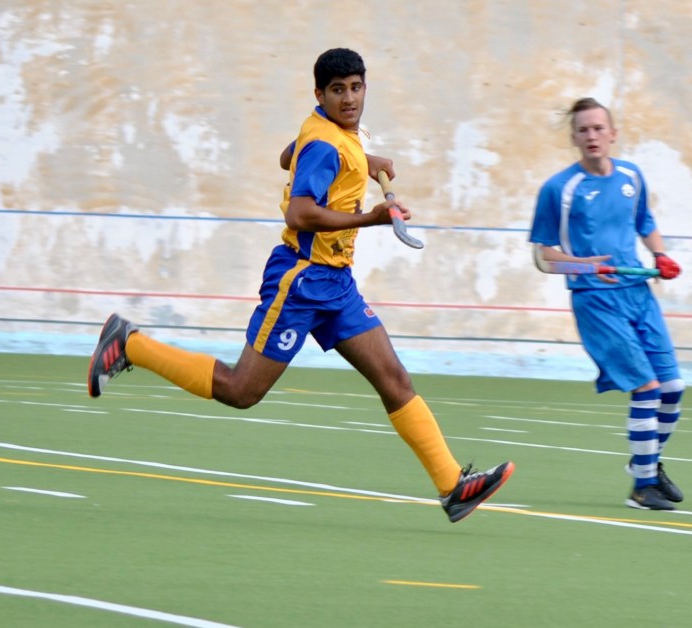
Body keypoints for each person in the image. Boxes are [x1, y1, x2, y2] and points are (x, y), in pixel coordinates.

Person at [87, 47, 514, 523]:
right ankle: (129, 344)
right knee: (241, 390)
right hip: (301, 280)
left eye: (356, 88)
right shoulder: (326, 143)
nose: (349, 99)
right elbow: (300, 213)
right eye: (337, 91)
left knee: (394, 380)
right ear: (320, 94)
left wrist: (362, 159)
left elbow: (286, 155)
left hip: (336, 282)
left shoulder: (330, 132)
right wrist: (371, 217)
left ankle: (453, 486)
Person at [529, 97, 685, 511]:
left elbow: (645, 222)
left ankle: (644, 463)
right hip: (596, 301)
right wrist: (585, 266)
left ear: (613, 134)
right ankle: (643, 488)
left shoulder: (632, 176)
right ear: (574, 138)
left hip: (638, 293)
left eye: (599, 128)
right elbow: (544, 257)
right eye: (583, 130)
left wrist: (660, 255)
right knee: (647, 389)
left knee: (672, 389)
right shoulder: (559, 189)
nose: (592, 136)